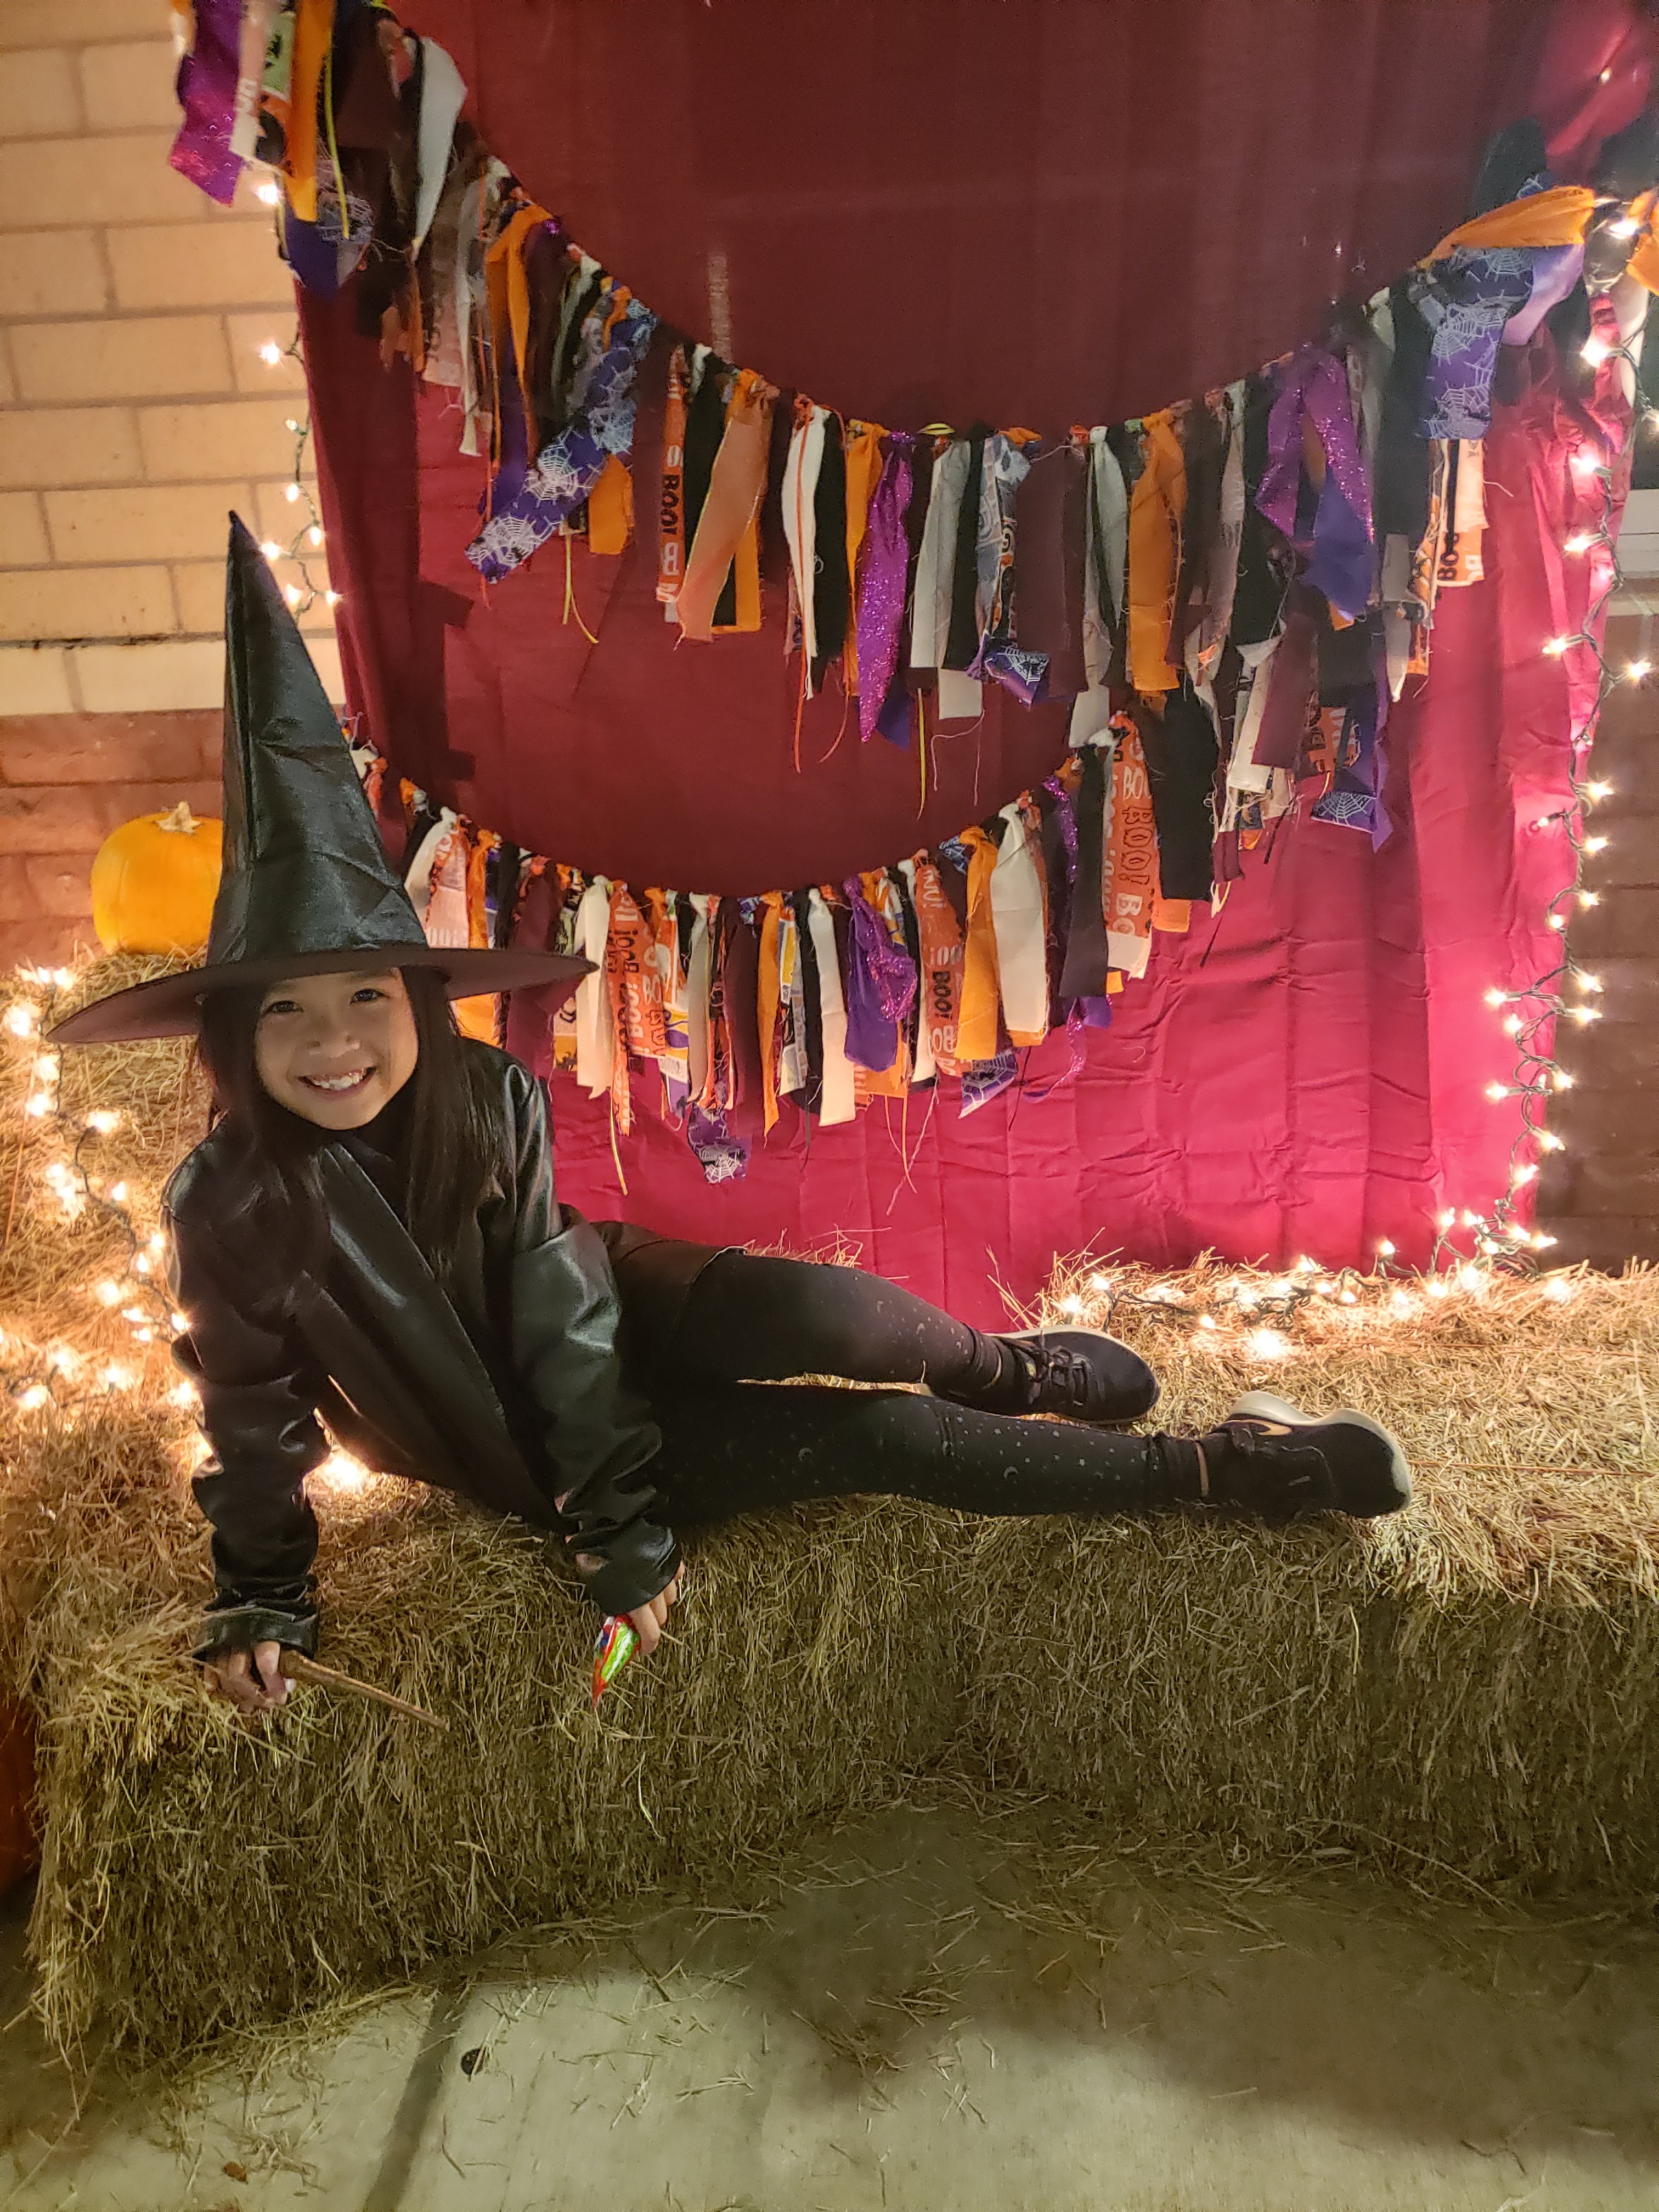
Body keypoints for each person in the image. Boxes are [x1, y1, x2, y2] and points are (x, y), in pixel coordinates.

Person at [55, 522, 1411, 1719]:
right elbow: (251, 1407)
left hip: (600, 1315)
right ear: (234, 1041)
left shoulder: (489, 1096)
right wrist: (273, 1593)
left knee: (839, 1316)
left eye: (365, 994)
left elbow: (560, 1311)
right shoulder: (224, 1201)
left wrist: (621, 1505)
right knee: (877, 1442)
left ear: (422, 996)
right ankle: (1225, 1475)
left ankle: (1013, 1373)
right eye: (285, 1014)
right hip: (502, 1437)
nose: (336, 1042)